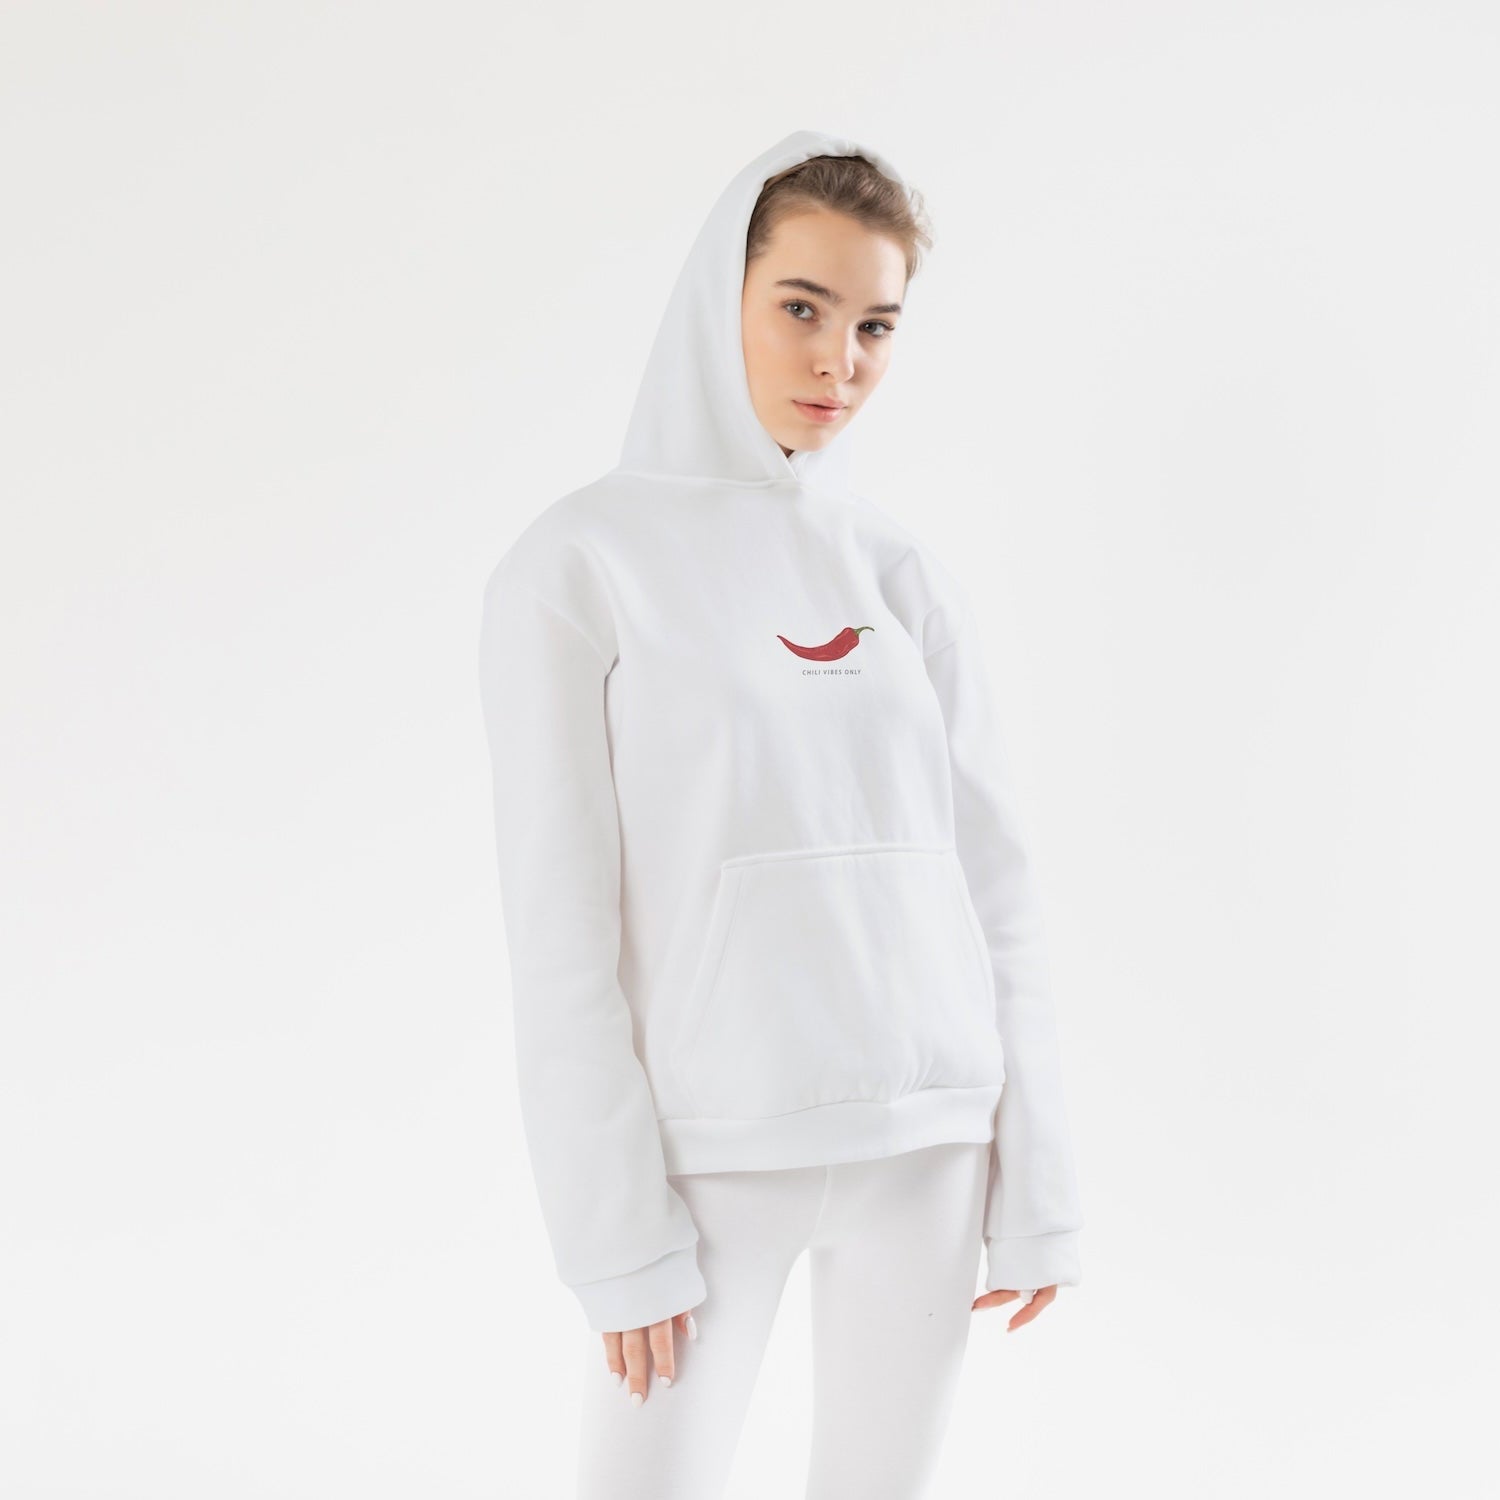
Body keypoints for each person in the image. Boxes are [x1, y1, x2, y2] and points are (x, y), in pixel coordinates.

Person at [477, 128, 1085, 1499]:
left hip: (929, 1144)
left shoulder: (899, 570)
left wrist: (1039, 1185)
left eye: (875, 326)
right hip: (713, 1155)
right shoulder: (580, 564)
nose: (839, 363)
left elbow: (995, 885)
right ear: (723, 298)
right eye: (802, 308)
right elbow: (557, 926)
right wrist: (612, 1231)